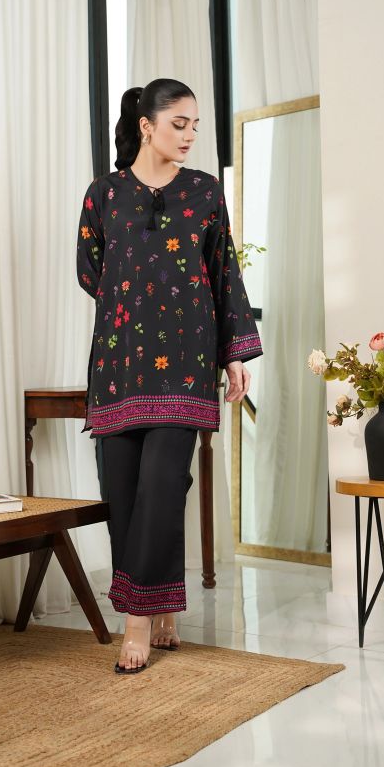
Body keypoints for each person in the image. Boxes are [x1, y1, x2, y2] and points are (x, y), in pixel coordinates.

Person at [76, 78, 262, 674]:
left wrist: (233, 354)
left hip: (184, 362)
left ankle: (135, 619)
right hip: (119, 365)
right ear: (146, 125)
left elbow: (223, 271)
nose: (188, 136)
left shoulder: (204, 192)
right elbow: (91, 271)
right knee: (123, 493)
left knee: (160, 484)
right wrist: (138, 301)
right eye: (179, 124)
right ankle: (161, 607)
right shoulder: (104, 194)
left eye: (194, 126)